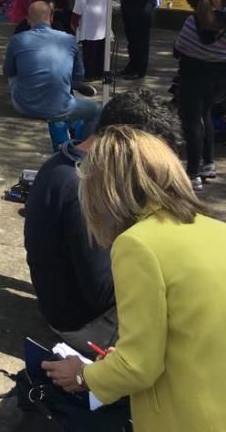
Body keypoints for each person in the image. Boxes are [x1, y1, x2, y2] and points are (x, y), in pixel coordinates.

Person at [41, 126, 226, 432]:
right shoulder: (214, 228)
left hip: (187, 416)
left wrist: (82, 376)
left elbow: (139, 367)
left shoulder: (137, 244)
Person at [24, 88, 181, 354]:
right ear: (127, 142)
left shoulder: (64, 163)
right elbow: (101, 293)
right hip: (86, 325)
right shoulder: (88, 187)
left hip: (64, 307)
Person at [3, 1, 101, 138]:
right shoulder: (70, 39)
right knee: (97, 110)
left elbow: (8, 72)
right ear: (51, 18)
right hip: (61, 107)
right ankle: (82, 149)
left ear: (28, 20)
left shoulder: (17, 40)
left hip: (25, 106)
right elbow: (79, 74)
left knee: (14, 74)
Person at [174, 0, 226, 190]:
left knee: (192, 123)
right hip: (219, 79)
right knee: (205, 116)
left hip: (193, 76)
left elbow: (179, 49)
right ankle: (209, 163)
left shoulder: (191, 22)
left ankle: (193, 172)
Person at [72, 0, 108, 81]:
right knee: (100, 45)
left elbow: (79, 4)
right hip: (102, 16)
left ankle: (89, 74)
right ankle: (99, 71)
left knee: (89, 47)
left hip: (89, 17)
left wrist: (74, 19)